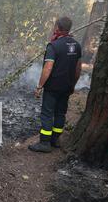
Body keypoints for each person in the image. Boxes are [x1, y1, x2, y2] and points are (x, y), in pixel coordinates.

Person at [29, 16, 82, 153]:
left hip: (53, 87)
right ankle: (55, 140)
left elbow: (48, 68)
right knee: (60, 113)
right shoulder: (76, 45)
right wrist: (73, 85)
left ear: (57, 27)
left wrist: (40, 86)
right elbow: (78, 69)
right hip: (67, 87)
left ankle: (44, 143)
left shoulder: (54, 46)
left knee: (47, 114)